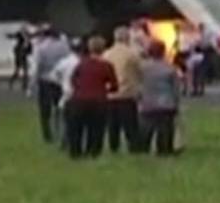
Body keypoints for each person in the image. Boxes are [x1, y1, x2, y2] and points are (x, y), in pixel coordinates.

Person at [69, 35, 117, 159]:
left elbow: (73, 80)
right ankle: (93, 152)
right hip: (98, 100)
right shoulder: (106, 66)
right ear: (103, 49)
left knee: (77, 128)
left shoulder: (81, 64)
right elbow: (114, 85)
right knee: (96, 128)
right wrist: (106, 89)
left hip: (79, 100)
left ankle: (76, 152)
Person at [104, 26, 144, 154]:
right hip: (127, 93)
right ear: (127, 38)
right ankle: (134, 148)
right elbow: (141, 71)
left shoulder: (107, 54)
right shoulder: (132, 54)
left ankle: (113, 147)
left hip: (110, 94)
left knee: (112, 125)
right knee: (131, 126)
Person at [138, 40, 181, 156]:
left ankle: (143, 149)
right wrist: (176, 104)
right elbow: (176, 89)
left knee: (145, 130)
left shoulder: (142, 68)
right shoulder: (170, 68)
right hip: (166, 104)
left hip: (147, 103)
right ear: (163, 52)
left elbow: (138, 85)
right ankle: (164, 150)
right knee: (165, 131)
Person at [31, 27, 71, 143]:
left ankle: (47, 135)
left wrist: (32, 84)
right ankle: (62, 132)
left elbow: (36, 67)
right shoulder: (64, 46)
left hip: (45, 80)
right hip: (60, 80)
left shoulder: (40, 47)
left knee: (45, 110)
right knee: (61, 108)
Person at [49, 38, 84, 150]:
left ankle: (65, 141)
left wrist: (61, 83)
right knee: (80, 122)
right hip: (81, 94)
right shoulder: (83, 62)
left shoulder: (64, 62)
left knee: (66, 120)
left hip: (67, 93)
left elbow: (53, 76)